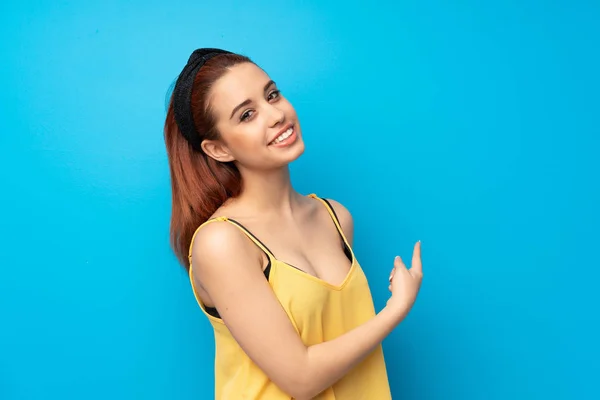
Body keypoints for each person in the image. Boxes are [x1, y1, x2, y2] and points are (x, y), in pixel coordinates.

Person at [163, 48, 423, 400]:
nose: (276, 115)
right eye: (247, 115)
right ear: (218, 149)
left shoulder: (335, 218)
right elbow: (301, 378)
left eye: (272, 94)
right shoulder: (222, 242)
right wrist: (395, 310)